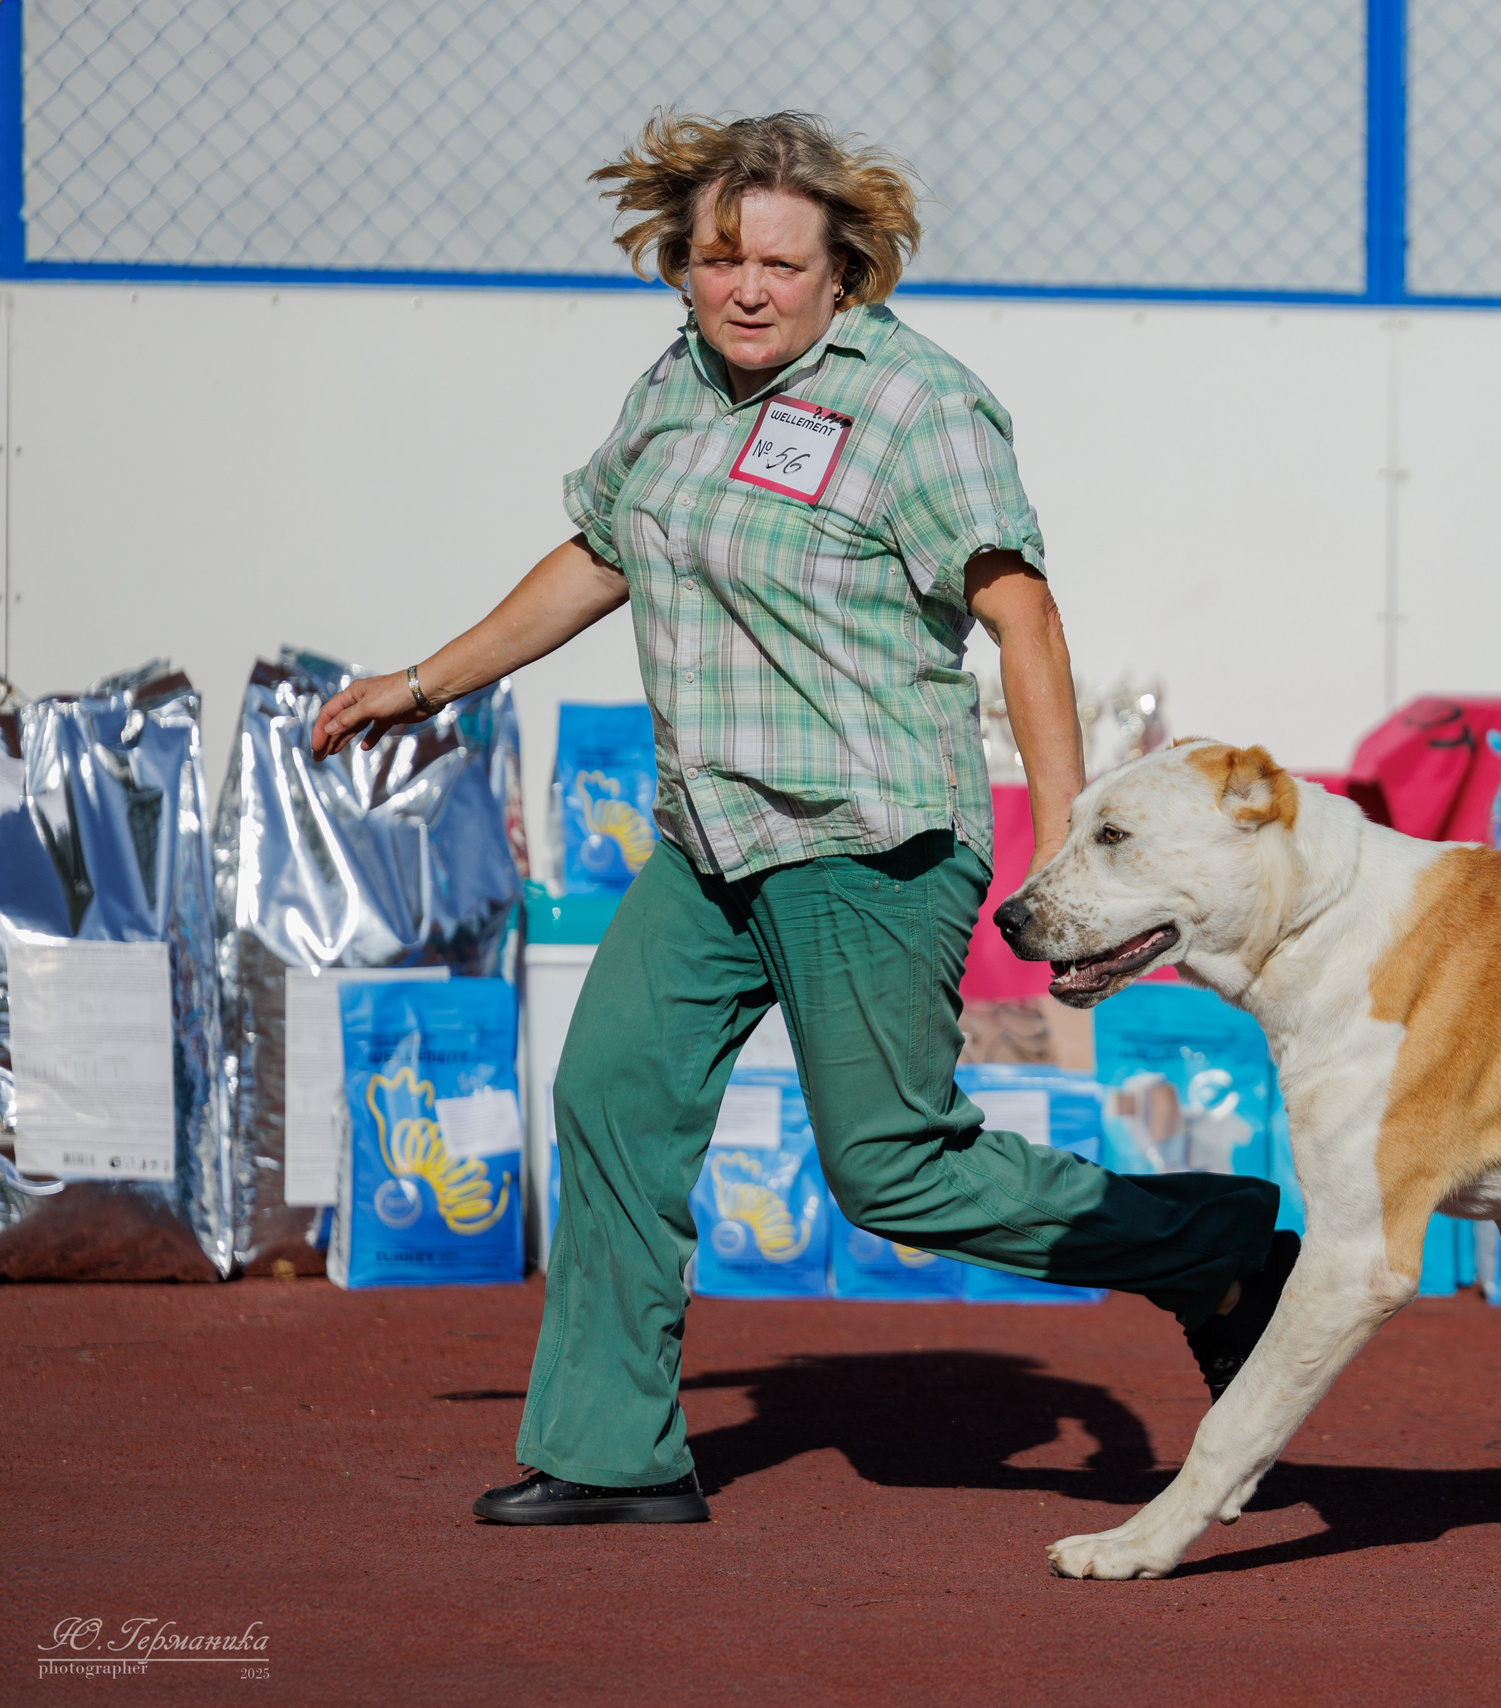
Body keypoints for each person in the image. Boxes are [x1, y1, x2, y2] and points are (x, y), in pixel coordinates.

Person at [313, 113, 1294, 1524]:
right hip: (712, 839)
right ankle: (611, 1454)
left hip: (870, 838)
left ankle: (1209, 1248)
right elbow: (600, 552)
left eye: (782, 263)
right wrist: (423, 681)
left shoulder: (918, 406)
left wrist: (1068, 834)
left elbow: (1022, 617)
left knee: (892, 1168)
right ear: (681, 264)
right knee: (611, 1098)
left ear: (847, 273)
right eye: (721, 259)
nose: (749, 288)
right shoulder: (674, 388)